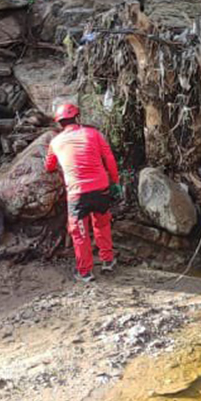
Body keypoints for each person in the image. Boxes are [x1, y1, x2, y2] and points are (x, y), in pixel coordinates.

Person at [44, 98, 121, 282]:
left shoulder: (55, 142)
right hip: (101, 188)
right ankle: (108, 261)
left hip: (77, 194)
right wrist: (115, 182)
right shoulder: (93, 134)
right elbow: (109, 159)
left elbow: (49, 167)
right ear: (77, 118)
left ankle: (85, 272)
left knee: (80, 233)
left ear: (59, 123)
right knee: (102, 225)